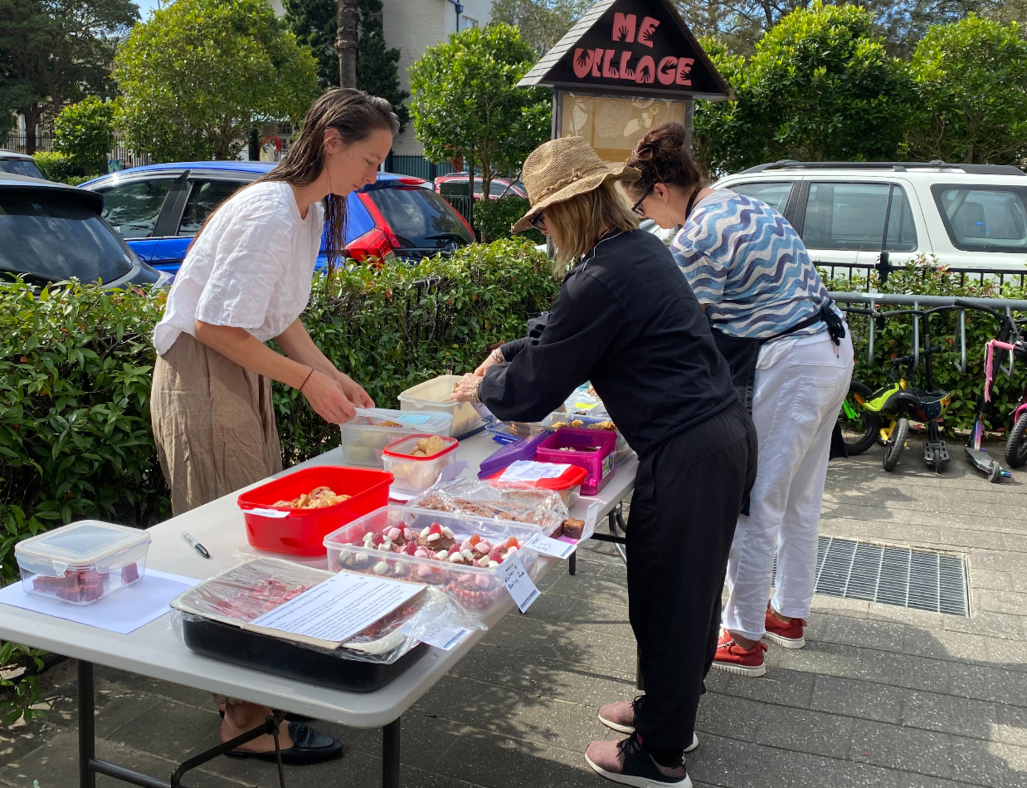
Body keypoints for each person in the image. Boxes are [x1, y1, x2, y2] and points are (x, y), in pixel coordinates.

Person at [451, 136, 757, 788]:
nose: (546, 233)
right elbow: (566, 332)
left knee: (671, 601)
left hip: (690, 451)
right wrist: (511, 351)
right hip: (716, 439)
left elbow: (537, 387)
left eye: (545, 221)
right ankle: (665, 715)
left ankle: (659, 754)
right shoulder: (635, 251)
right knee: (679, 595)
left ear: (567, 211)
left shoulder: (602, 273)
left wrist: (483, 386)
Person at [150, 88, 398, 764]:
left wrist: (328, 371)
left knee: (256, 535)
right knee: (232, 546)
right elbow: (214, 325)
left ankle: (256, 698)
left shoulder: (307, 210)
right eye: (370, 160)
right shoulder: (267, 211)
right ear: (331, 141)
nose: (372, 175)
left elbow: (279, 315)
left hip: (234, 371)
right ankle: (248, 725)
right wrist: (307, 381)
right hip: (204, 373)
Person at [623, 123, 854, 678]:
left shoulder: (697, 235)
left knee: (755, 500)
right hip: (832, 346)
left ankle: (745, 636)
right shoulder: (743, 204)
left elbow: (681, 330)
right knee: (801, 493)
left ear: (660, 191)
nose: (646, 220)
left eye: (641, 208)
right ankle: (788, 614)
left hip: (790, 360)